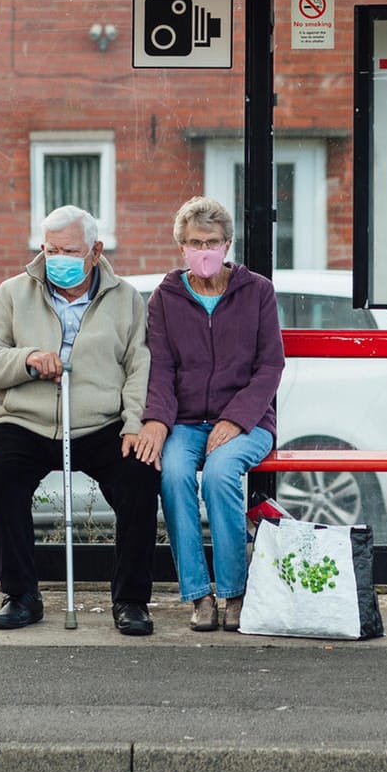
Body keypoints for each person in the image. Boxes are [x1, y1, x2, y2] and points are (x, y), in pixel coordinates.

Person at [0, 205, 159, 636]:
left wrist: (133, 423)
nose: (59, 260)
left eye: (70, 251)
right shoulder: (14, 293)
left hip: (101, 422)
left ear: (95, 250)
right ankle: (21, 596)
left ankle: (130, 600)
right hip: (26, 420)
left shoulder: (126, 298)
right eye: (51, 250)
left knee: (139, 478)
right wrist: (28, 360)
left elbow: (138, 367)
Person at [132, 197, 284, 632]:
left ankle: (234, 592)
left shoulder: (258, 292)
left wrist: (236, 419)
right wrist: (157, 421)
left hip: (247, 422)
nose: (204, 250)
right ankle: (198, 594)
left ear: (227, 243)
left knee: (220, 475)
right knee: (173, 474)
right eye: (195, 242)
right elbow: (159, 366)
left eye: (212, 241)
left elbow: (270, 365)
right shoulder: (165, 298)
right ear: (181, 246)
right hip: (184, 421)